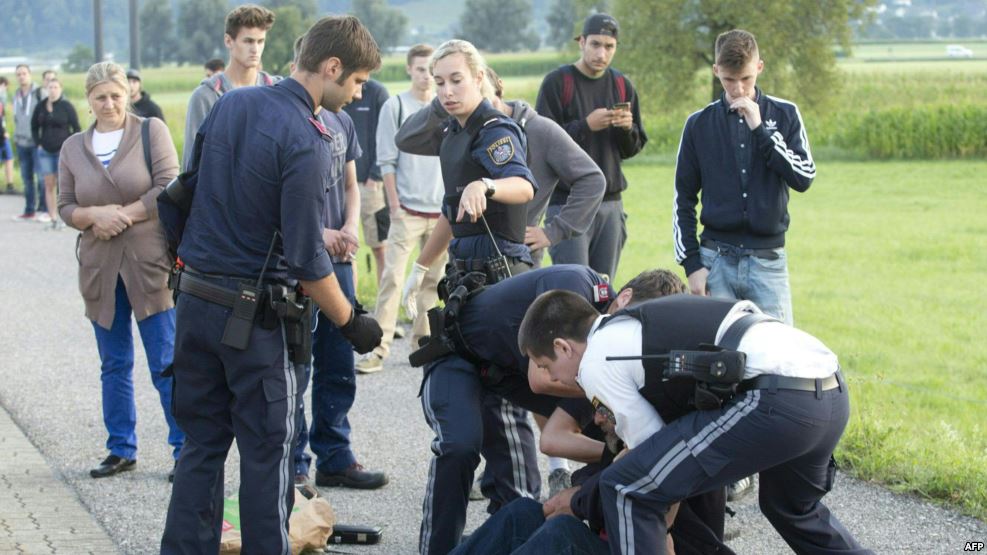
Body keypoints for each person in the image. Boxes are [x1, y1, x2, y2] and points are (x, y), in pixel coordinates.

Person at [160, 16, 383, 554]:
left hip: (194, 303)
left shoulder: (231, 103)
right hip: (254, 320)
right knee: (268, 455)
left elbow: (180, 195)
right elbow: (308, 261)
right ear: (331, 68)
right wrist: (353, 322)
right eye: (355, 82)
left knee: (201, 447)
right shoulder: (308, 139)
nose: (356, 95)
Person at [518, 291, 870, 555]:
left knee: (626, 489)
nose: (551, 378)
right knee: (792, 508)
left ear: (564, 347)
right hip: (829, 386)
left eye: (545, 366)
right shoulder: (629, 325)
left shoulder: (595, 361)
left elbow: (649, 463)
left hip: (776, 400)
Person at [57, 61, 185, 481]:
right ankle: (120, 448)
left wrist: (122, 216)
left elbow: (168, 184)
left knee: (165, 360)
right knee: (113, 363)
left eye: (115, 95)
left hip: (148, 264)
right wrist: (93, 215)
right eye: (99, 97)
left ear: (127, 94)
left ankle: (185, 448)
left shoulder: (150, 131)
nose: (108, 103)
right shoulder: (73, 147)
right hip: (100, 268)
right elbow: (65, 206)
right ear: (88, 101)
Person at [396, 67, 605, 271]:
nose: (483, 112)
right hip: (468, 259)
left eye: (486, 101)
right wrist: (445, 97)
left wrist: (554, 231)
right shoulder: (462, 132)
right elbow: (406, 139)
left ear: (499, 90)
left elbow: (592, 178)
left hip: (516, 257)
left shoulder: (541, 130)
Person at [673, 29, 815, 327]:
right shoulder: (698, 124)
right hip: (715, 262)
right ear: (716, 72)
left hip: (768, 262)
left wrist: (761, 130)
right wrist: (692, 265)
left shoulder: (785, 113)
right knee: (714, 362)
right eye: (728, 80)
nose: (738, 89)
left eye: (746, 79)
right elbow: (683, 199)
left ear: (759, 67)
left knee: (778, 358)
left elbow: (803, 177)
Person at [355, 44, 446, 374]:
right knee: (393, 278)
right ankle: (377, 349)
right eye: (420, 69)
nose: (425, 76)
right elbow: (386, 161)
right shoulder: (396, 106)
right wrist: (394, 206)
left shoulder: (446, 107)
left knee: (431, 283)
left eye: (430, 69)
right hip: (406, 209)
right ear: (410, 69)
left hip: (440, 214)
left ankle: (423, 344)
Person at [535, 13, 647, 279]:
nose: (602, 53)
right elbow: (540, 144)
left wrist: (625, 129)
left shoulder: (622, 85)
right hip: (567, 203)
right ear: (581, 42)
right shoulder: (558, 83)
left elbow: (632, 148)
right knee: (573, 289)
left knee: (603, 290)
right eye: (595, 44)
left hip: (611, 203)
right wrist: (585, 126)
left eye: (609, 47)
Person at [182, 4, 278, 169]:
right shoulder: (206, 96)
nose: (255, 49)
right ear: (228, 41)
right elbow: (192, 165)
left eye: (260, 41)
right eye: (248, 41)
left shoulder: (276, 90)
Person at [342, 78, 389, 287]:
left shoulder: (377, 92)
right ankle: (352, 303)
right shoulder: (338, 89)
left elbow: (388, 136)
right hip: (341, 186)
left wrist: (376, 175)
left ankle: (384, 303)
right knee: (346, 247)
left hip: (371, 185)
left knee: (380, 246)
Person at [32, 77, 80, 229]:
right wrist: (38, 143)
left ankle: (64, 217)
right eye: (49, 87)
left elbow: (76, 127)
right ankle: (52, 216)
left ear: (60, 89)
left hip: (62, 150)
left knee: (63, 184)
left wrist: (71, 146)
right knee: (48, 183)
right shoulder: (40, 106)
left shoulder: (66, 106)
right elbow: (33, 126)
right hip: (45, 150)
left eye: (55, 87)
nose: (52, 90)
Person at [11, 64, 45, 220]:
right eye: (18, 74)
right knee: (27, 178)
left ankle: (44, 209)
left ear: (30, 74)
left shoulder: (39, 92)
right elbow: (16, 117)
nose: (21, 76)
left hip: (37, 142)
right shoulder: (16, 94)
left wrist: (42, 138)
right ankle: (29, 209)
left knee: (41, 177)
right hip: (21, 142)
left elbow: (45, 115)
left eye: (24, 73)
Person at [0, 76, 16, 194]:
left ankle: (10, 184)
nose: (5, 89)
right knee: (8, 158)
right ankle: (9, 185)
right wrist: (4, 131)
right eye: (4, 86)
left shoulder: (2, 101)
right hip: (2, 135)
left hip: (3, 134)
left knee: (9, 159)